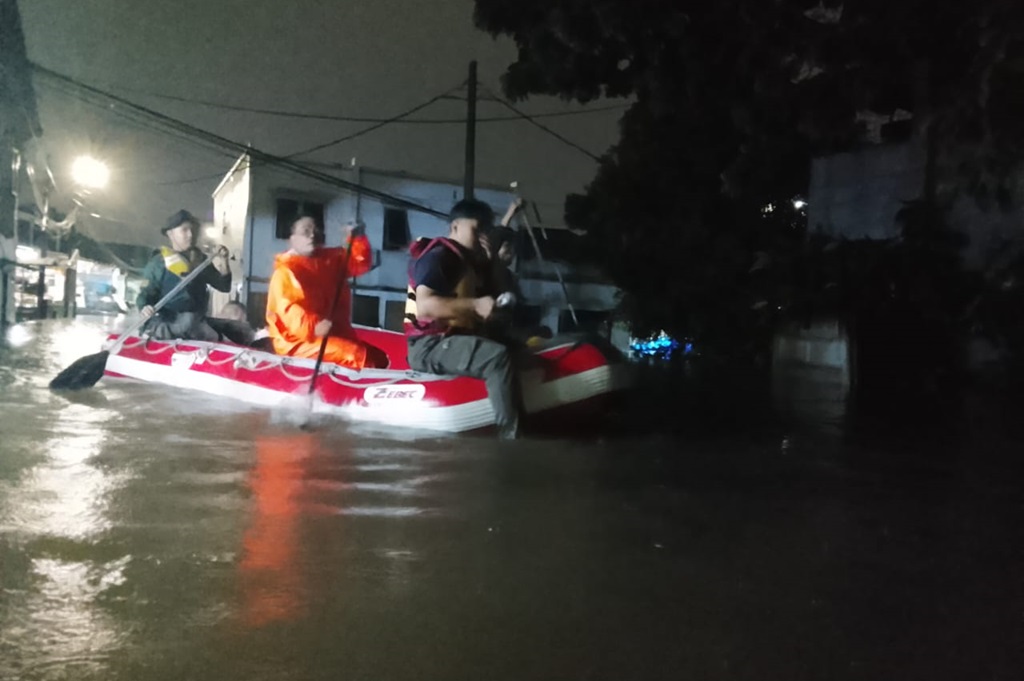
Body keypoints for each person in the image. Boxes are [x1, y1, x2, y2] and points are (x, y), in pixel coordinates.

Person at [404, 199, 520, 439]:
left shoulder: (476, 263)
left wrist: (494, 263)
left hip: (460, 337)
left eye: (485, 232)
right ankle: (510, 440)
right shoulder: (440, 257)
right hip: (430, 345)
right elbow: (425, 306)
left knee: (518, 346)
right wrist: (475, 305)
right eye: (476, 230)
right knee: (497, 357)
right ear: (455, 227)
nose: (482, 237)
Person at [266, 215, 387, 370]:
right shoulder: (286, 272)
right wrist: (314, 327)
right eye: (305, 231)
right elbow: (290, 312)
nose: (312, 235)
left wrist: (358, 237)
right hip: (298, 342)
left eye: (315, 231)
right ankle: (350, 390)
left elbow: (359, 262)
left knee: (378, 358)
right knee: (356, 355)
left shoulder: (331, 260)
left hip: (333, 334)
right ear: (292, 239)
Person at [137, 209, 231, 341]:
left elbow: (224, 287)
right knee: (190, 321)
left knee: (238, 329)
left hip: (195, 323)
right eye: (184, 230)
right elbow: (145, 294)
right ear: (170, 234)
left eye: (193, 230)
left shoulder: (201, 260)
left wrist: (224, 260)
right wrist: (145, 307)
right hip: (170, 322)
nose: (191, 235)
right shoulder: (159, 263)